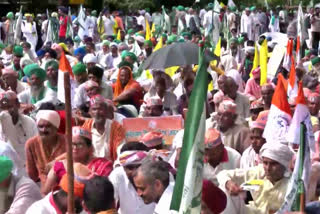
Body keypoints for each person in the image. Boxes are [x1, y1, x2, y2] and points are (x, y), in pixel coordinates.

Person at [217, 142, 294, 214]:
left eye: (273, 164)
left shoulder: (291, 183)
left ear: (284, 164)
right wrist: (229, 184)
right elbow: (222, 174)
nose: (268, 168)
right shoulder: (260, 172)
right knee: (224, 188)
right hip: (252, 211)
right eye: (265, 163)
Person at [42, 126, 113, 195]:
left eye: (79, 144)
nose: (74, 148)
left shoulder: (102, 165)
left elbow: (103, 191)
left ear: (89, 147)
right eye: (72, 144)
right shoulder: (60, 165)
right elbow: (45, 192)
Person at [109, 143, 155, 214]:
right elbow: (107, 206)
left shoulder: (161, 175)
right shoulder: (117, 175)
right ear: (123, 168)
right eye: (130, 168)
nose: (135, 172)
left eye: (139, 167)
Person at [25, 110, 66, 184]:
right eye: (41, 126)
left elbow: (75, 158)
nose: (44, 130)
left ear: (56, 127)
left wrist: (57, 161)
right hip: (45, 187)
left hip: (66, 185)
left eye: (48, 126)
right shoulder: (31, 144)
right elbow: (32, 174)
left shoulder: (67, 141)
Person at [82, 95, 125, 162]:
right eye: (94, 109)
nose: (97, 113)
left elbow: (120, 150)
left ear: (106, 111)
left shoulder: (116, 127)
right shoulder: (86, 126)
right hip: (90, 165)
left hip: (111, 165)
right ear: (90, 112)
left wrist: (116, 165)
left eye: (100, 109)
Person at [0, 91, 38, 163]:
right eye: (2, 109)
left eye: (9, 107)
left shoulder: (29, 123)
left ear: (17, 104)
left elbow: (37, 148)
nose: (5, 112)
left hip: (27, 169)